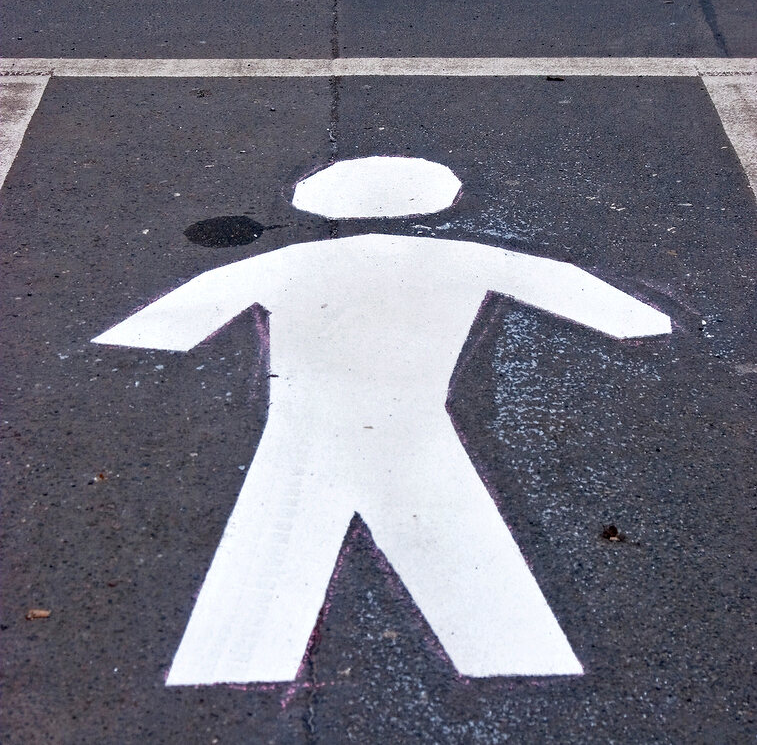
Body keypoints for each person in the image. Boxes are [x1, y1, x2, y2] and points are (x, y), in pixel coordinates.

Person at [94, 156, 670, 686]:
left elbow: (159, 332)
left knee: (256, 597)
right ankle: (522, 673)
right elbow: (628, 317)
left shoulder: (282, 263)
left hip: (297, 434)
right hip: (418, 429)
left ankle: (224, 679)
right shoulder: (477, 259)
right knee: (494, 608)